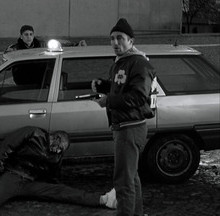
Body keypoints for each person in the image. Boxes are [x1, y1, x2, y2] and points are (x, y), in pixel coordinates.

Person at [91, 18, 156, 216]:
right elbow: (120, 86)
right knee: (131, 177)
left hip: (130, 127)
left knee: (123, 181)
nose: (115, 42)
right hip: (123, 126)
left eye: (120, 38)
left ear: (131, 41)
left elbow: (137, 97)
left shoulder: (139, 63)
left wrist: (108, 100)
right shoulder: (122, 62)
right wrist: (103, 85)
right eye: (112, 38)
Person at [0, 126, 117, 211]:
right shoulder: (34, 133)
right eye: (60, 148)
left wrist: (58, 189)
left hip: (31, 183)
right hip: (13, 175)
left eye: (61, 151)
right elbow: (6, 147)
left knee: (63, 191)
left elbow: (54, 177)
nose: (59, 152)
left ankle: (104, 199)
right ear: (56, 138)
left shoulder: (57, 156)